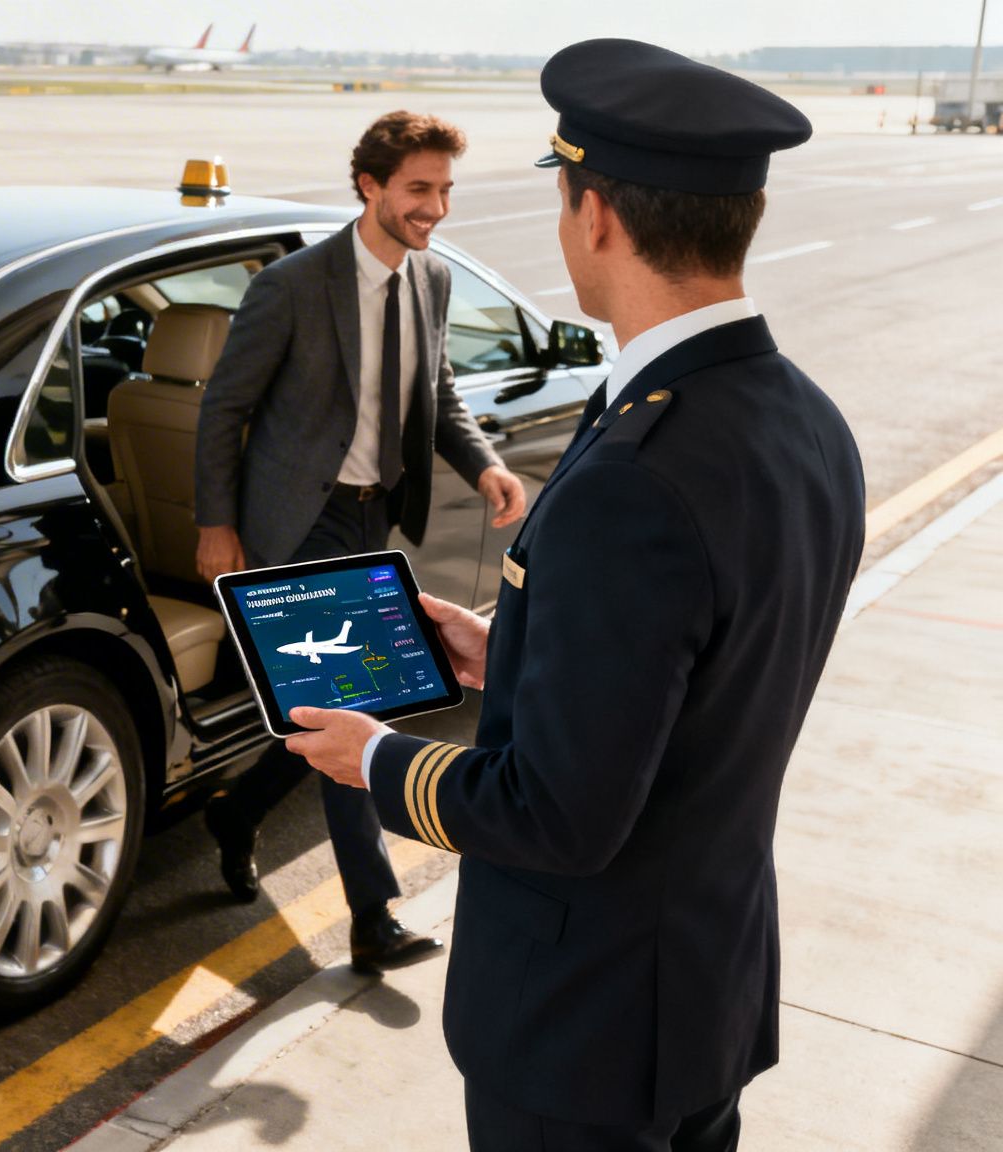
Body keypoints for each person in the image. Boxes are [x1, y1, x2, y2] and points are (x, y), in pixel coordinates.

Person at [284, 40, 866, 1151]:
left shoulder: (638, 474)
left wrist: (372, 759)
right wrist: (516, 650)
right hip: (702, 987)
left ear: (591, 214)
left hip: (584, 1030)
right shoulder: (800, 419)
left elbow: (556, 815)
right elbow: (710, 667)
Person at [192, 110, 527, 974]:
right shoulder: (294, 286)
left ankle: (236, 810)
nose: (437, 209)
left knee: (323, 706)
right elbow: (224, 408)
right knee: (357, 703)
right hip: (297, 520)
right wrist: (216, 523)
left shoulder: (432, 281)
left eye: (446, 190)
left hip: (373, 516)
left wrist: (483, 463)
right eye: (420, 189)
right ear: (370, 187)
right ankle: (374, 916)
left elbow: (438, 390)